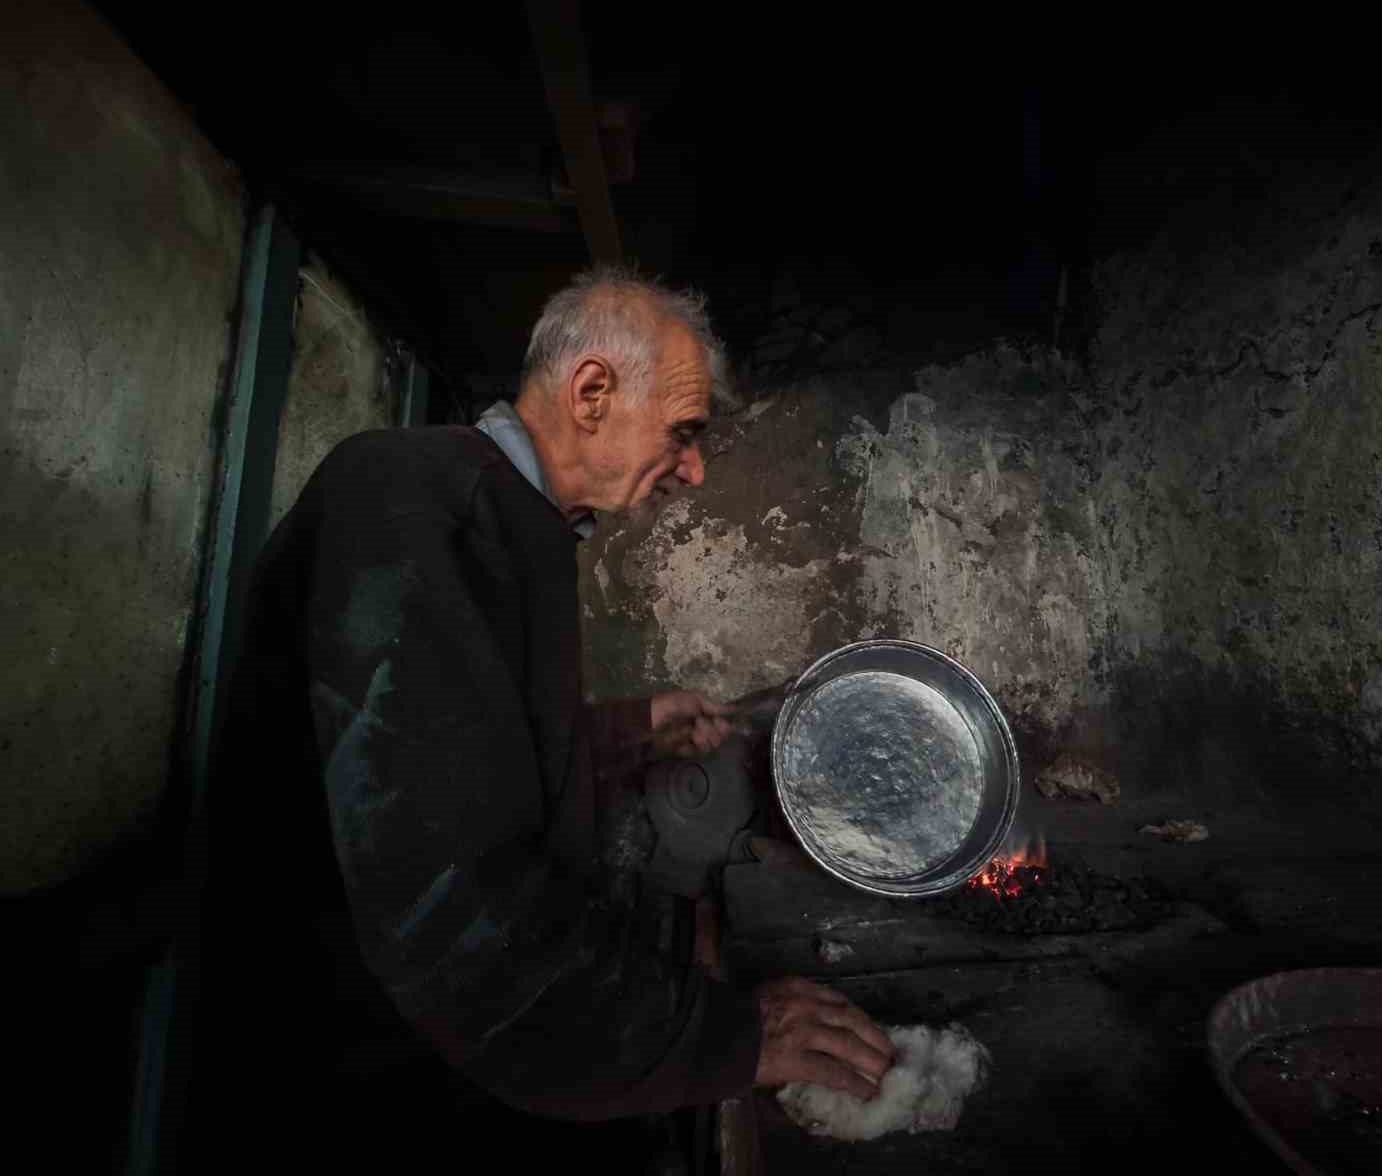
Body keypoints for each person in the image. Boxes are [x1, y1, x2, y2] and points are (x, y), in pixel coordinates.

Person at [190, 269, 892, 1161]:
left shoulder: (519, 532)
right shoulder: (406, 500)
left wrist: (625, 728)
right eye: (683, 432)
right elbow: (455, 919)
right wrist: (731, 1038)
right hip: (349, 1084)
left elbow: (468, 746)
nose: (696, 467)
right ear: (592, 392)